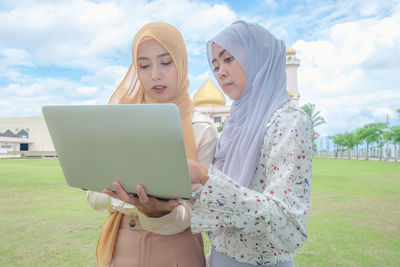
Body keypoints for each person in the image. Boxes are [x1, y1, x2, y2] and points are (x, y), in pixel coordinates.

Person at [86, 22, 218, 267]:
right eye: (144, 66)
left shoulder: (201, 129)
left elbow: (200, 212)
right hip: (121, 248)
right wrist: (138, 203)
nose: (155, 74)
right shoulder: (118, 121)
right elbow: (94, 197)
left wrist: (158, 212)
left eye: (166, 62)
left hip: (178, 252)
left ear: (181, 62)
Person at [187, 21, 314, 267]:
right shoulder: (234, 126)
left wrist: (206, 177)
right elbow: (223, 205)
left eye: (228, 59)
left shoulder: (288, 122)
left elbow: (288, 225)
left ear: (259, 57)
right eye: (215, 65)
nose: (220, 72)